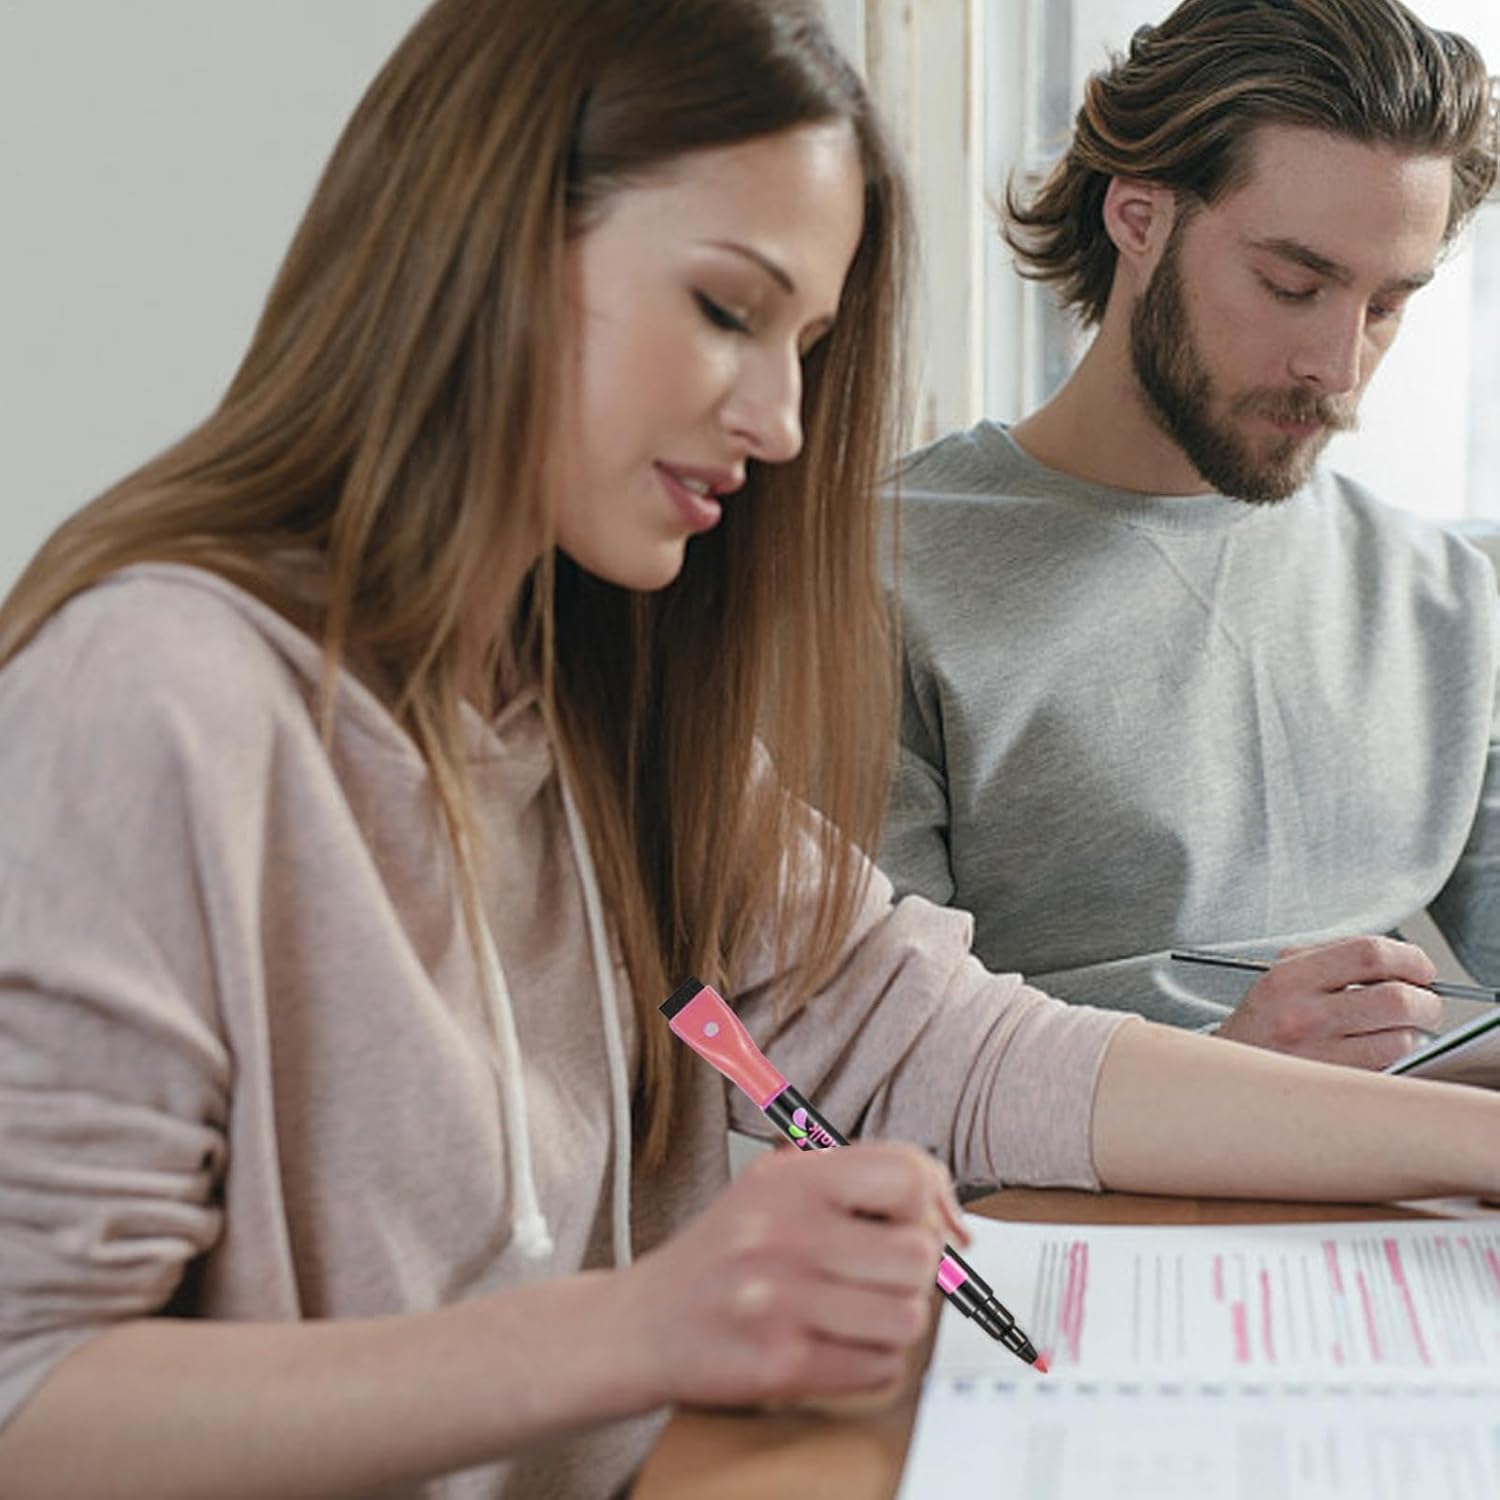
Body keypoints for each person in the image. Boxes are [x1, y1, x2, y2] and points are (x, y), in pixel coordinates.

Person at [2, 3, 1500, 1498]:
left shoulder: (604, 690)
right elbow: (29, 1396)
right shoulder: (158, 694)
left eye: (809, 343)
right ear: (483, 249)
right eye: (727, 310)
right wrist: (643, 1328)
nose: (784, 422)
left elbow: (958, 1048)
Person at [881, 0, 1500, 1068]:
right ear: (1137, 217)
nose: (1339, 367)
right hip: (1085, 1212)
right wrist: (1234, 1081)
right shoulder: (878, 576)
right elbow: (863, 1075)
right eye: (1292, 285)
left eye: (1387, 305)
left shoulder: (1443, 594)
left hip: (1430, 1200)